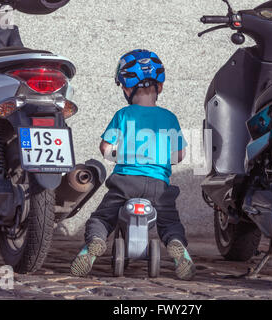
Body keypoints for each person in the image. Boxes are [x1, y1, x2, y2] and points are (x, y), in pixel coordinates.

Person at [70, 49, 196, 281]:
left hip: (125, 183)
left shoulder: (123, 114)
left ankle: (96, 243)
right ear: (160, 86)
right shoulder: (169, 117)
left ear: (127, 88)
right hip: (159, 185)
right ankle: (179, 248)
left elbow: (105, 148)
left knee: (102, 218)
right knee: (169, 221)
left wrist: (118, 154)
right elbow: (179, 155)